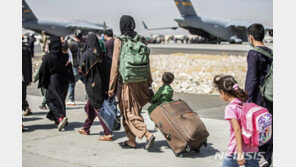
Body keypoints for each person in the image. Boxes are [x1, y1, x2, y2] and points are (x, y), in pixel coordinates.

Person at [108, 15, 155, 150]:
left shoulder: (120, 40)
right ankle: (131, 140)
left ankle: (147, 134)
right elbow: (147, 62)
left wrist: (111, 86)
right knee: (134, 110)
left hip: (127, 82)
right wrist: (149, 81)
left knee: (129, 112)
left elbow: (115, 65)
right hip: (142, 80)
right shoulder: (141, 39)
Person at [213, 75, 259, 167]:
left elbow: (237, 129)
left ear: (222, 92)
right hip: (252, 148)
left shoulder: (230, 108)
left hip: (236, 150)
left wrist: (239, 153)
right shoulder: (245, 104)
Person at [245, 23, 273, 167]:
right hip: (270, 95)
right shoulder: (270, 52)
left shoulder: (254, 53)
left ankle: (261, 159)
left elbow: (252, 79)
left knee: (258, 127)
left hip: (259, 97)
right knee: (268, 125)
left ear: (251, 37)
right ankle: (268, 156)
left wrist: (246, 100)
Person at [77, 34, 113, 141]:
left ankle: (107, 132)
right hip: (103, 86)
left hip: (92, 87)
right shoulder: (104, 55)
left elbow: (81, 70)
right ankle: (86, 128)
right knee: (91, 107)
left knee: (97, 108)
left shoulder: (87, 55)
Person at [38, 36, 73, 131]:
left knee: (50, 100)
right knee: (60, 100)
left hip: (54, 80)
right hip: (64, 80)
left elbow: (43, 70)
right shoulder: (65, 55)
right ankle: (59, 120)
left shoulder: (49, 56)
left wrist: (42, 81)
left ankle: (60, 117)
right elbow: (69, 66)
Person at [66, 29, 86, 106]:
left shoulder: (72, 44)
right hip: (83, 66)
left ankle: (71, 100)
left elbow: (66, 47)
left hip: (75, 66)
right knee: (86, 81)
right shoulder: (84, 44)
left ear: (74, 35)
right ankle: (90, 97)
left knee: (71, 82)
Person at [22, 37, 33, 116]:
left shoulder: (25, 48)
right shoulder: (25, 48)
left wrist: (29, 78)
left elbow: (29, 64)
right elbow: (29, 64)